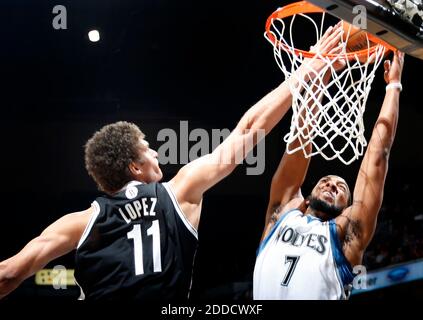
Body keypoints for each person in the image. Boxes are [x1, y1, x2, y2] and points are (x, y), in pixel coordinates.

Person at [0, 24, 345, 301]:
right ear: (134, 167)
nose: (156, 153)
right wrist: (308, 71)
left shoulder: (80, 221)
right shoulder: (178, 192)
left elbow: (10, 274)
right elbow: (248, 131)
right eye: (147, 148)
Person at [253, 50, 404, 300]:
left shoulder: (346, 235)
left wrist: (394, 87)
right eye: (325, 181)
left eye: (341, 187)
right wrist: (320, 79)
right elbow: (300, 138)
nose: (331, 185)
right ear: (306, 197)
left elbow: (378, 156)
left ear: (347, 207)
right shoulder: (282, 213)